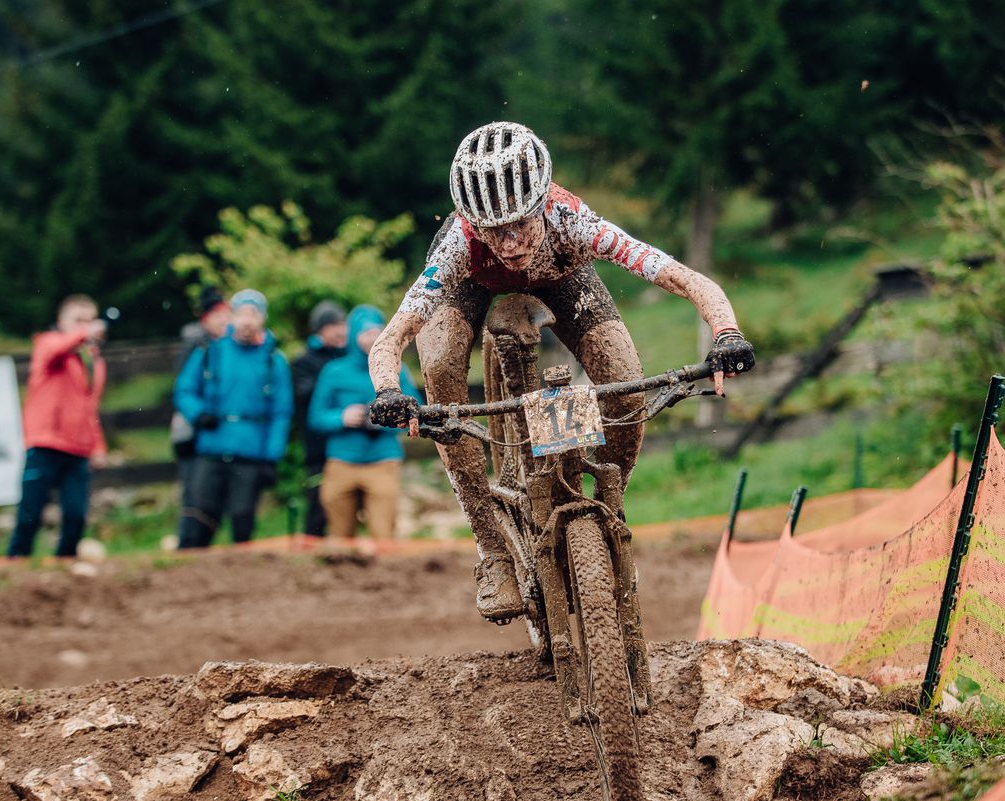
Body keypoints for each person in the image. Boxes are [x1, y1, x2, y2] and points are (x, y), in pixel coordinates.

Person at [367, 121, 755, 620]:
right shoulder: (458, 247)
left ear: (542, 205)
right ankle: (493, 551)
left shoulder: (574, 222)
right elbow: (391, 339)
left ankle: (609, 510)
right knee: (441, 374)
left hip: (562, 277)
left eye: (520, 225)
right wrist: (387, 390)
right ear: (471, 220)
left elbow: (685, 278)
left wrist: (727, 334)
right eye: (493, 229)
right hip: (469, 288)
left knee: (622, 376)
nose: (508, 243)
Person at [174, 288, 292, 547]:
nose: (247, 320)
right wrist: (198, 414)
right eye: (241, 314)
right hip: (212, 447)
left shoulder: (275, 362)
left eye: (254, 314)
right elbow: (184, 390)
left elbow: (281, 413)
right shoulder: (210, 353)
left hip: (251, 452)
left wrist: (271, 458)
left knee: (242, 517)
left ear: (262, 318)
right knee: (199, 514)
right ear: (232, 317)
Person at [7, 295, 108, 558]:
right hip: (45, 444)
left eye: (88, 320)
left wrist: (97, 444)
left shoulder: (92, 360)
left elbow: (90, 407)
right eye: (78, 320)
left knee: (76, 517)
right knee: (30, 515)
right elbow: (58, 348)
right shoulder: (47, 344)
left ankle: (63, 570)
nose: (83, 326)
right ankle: (15, 567)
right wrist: (85, 332)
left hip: (78, 450)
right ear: (62, 321)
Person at [308, 305, 420, 541]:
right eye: (366, 332)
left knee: (384, 534)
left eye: (377, 332)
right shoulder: (334, 371)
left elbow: (416, 409)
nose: (372, 338)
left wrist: (384, 419)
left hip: (383, 459)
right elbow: (315, 417)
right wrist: (342, 417)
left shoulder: (398, 369)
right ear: (353, 335)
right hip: (341, 460)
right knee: (339, 537)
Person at [291, 301, 348, 536]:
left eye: (342, 324)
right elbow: (304, 397)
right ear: (319, 330)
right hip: (317, 446)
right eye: (333, 325)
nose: (340, 330)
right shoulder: (303, 361)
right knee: (318, 501)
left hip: (346, 444)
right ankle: (312, 544)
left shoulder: (349, 358)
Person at [171, 288, 231, 459]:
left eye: (227, 315)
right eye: (218, 315)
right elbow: (183, 387)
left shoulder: (228, 345)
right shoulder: (197, 346)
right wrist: (199, 414)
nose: (224, 320)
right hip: (197, 423)